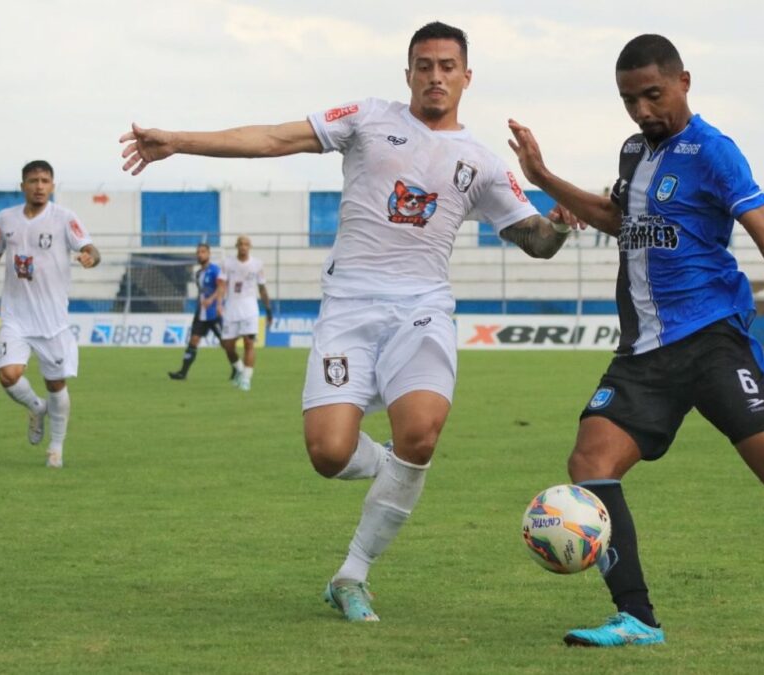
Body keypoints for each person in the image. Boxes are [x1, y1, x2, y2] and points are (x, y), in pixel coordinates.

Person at [120, 21, 574, 621]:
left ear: (467, 76)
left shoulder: (483, 162)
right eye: (424, 64)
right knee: (329, 454)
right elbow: (275, 139)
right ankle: (390, 468)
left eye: (446, 66)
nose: (435, 76)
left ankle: (351, 574)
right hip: (350, 306)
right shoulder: (366, 118)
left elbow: (535, 241)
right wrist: (179, 140)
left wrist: (563, 221)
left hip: (423, 310)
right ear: (408, 72)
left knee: (422, 434)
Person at [507, 34, 764, 647]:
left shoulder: (714, 152)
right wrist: (544, 177)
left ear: (683, 82)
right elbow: (617, 219)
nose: (643, 111)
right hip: (642, 353)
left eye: (653, 95)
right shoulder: (633, 152)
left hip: (710, 339)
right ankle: (637, 620)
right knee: (589, 464)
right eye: (629, 100)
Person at [0, 160, 101, 468]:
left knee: (56, 385)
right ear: (22, 186)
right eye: (33, 180)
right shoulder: (5, 218)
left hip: (53, 321)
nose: (39, 186)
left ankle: (56, 449)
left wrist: (90, 257)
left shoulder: (64, 218)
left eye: (45, 180)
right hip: (15, 315)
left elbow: (91, 247)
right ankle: (36, 407)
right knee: (8, 375)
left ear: (52, 185)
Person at [168, 242, 236, 380]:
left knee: (225, 343)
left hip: (214, 314)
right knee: (193, 341)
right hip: (201, 313)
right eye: (198, 252)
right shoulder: (198, 273)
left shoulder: (215, 270)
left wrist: (213, 301)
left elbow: (222, 287)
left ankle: (237, 368)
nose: (200, 254)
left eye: (203, 252)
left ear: (209, 254)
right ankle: (183, 372)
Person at [218, 235, 272, 391]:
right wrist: (219, 303)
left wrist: (268, 310)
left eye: (246, 244)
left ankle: (246, 379)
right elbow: (222, 285)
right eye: (240, 244)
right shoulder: (227, 263)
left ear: (250, 246)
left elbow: (262, 288)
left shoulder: (257, 264)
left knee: (249, 343)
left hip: (250, 308)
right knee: (227, 346)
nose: (243, 246)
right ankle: (240, 370)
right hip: (231, 308)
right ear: (236, 246)